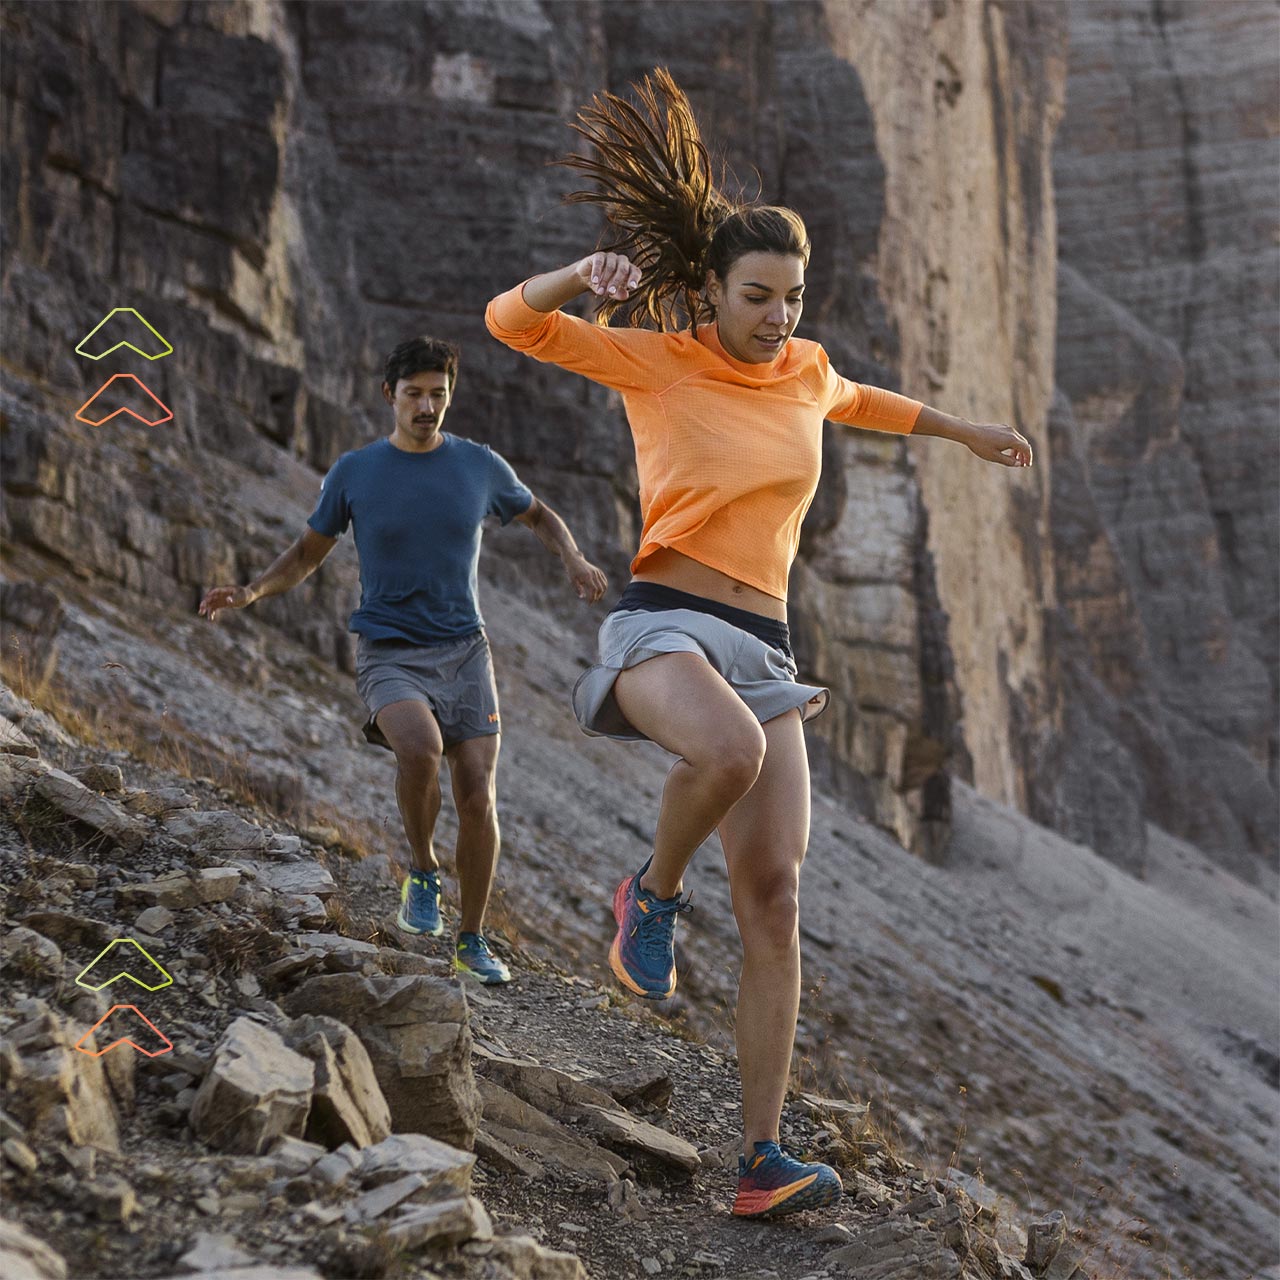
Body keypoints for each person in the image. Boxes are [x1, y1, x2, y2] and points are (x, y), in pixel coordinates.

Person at [485, 69, 1032, 1216]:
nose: (777, 315)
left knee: (776, 897)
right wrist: (580, 277)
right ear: (712, 293)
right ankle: (649, 892)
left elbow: (862, 398)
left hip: (766, 646)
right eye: (756, 296)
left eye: (790, 295)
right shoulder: (654, 354)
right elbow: (512, 323)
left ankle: (758, 1159)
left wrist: (965, 430)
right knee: (723, 754)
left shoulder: (806, 366)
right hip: (662, 623)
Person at [198, 336, 607, 985]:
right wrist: (249, 591)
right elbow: (307, 554)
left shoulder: (479, 466)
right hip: (388, 650)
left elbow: (539, 515)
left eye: (437, 395)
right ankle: (422, 868)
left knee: (477, 794)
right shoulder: (355, 471)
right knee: (417, 751)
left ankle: (470, 939)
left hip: (466, 652)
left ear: (450, 396)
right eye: (414, 394)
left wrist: (574, 557)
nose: (426, 406)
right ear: (390, 395)